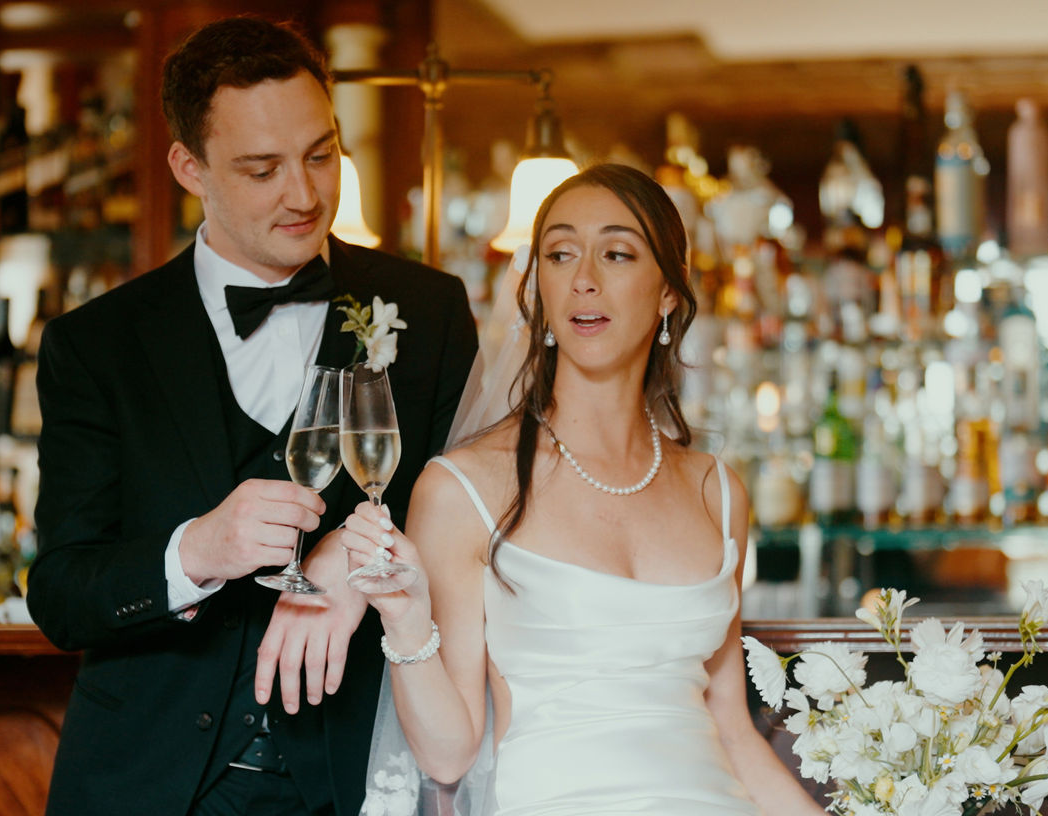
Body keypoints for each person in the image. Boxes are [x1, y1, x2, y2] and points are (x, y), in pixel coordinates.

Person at [27, 16, 476, 816]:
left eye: (320, 155)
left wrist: (357, 553)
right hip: (146, 788)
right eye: (262, 169)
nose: (304, 195)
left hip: (354, 779)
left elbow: (478, 528)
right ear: (189, 167)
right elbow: (62, 593)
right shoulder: (95, 345)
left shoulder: (428, 313)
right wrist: (195, 551)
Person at [337, 164, 824, 815]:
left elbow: (732, 729)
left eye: (616, 254)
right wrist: (403, 622)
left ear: (668, 293)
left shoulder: (718, 491)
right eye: (561, 254)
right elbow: (447, 756)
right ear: (539, 287)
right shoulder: (465, 488)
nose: (584, 278)